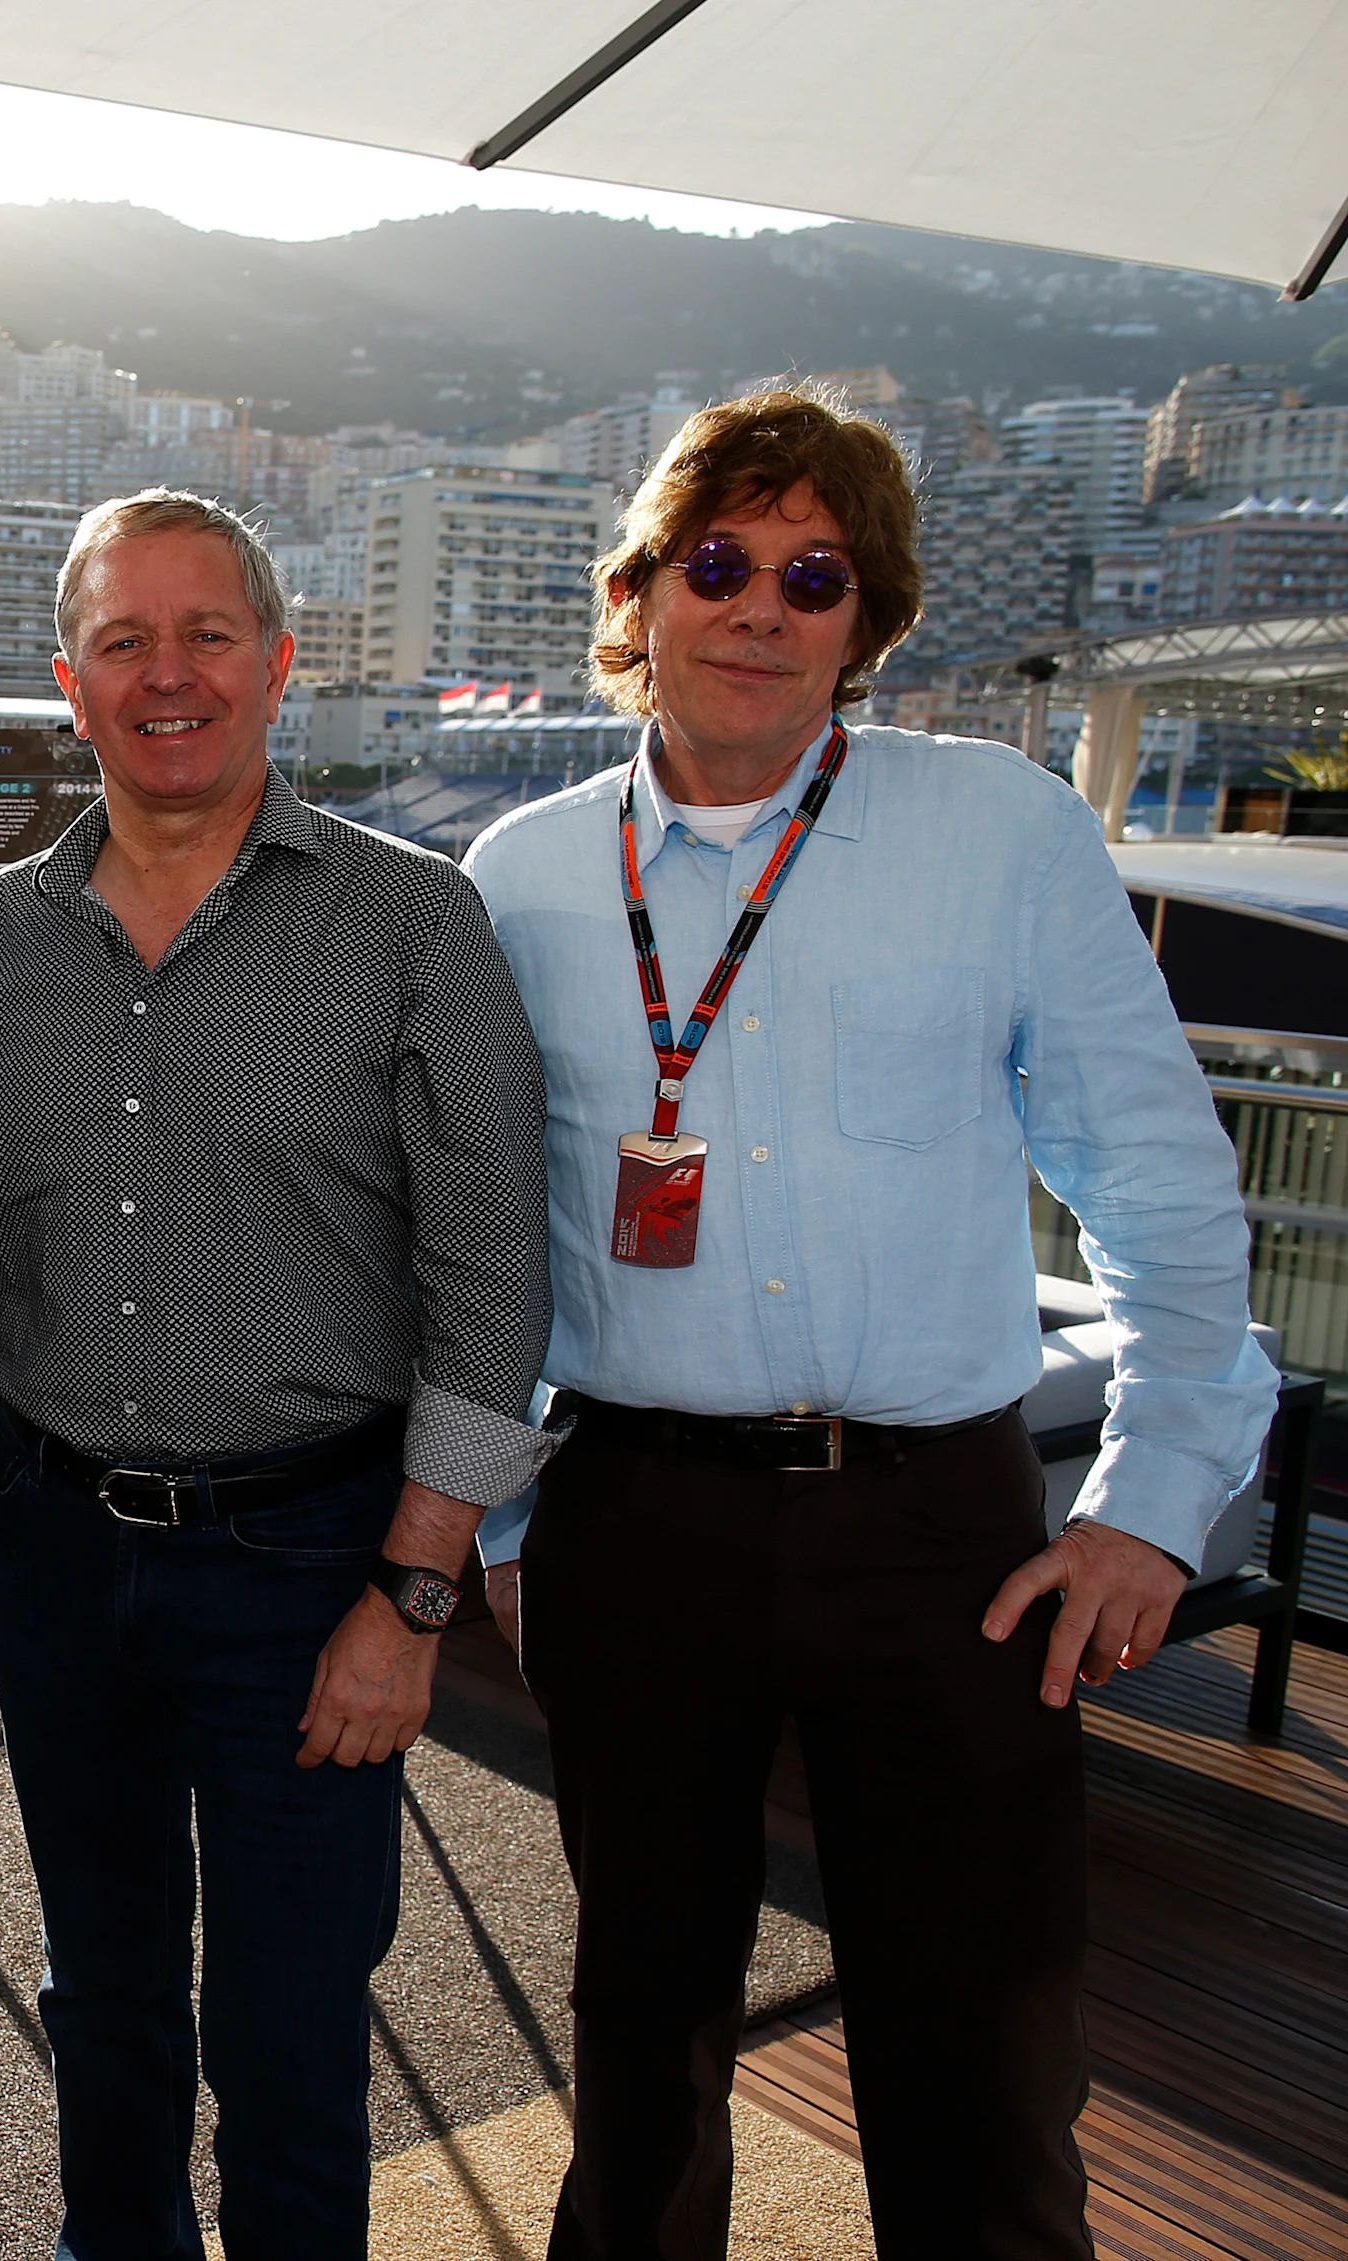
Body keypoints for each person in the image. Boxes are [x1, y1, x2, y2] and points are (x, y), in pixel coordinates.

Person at [462, 386, 1274, 2260]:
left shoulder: (996, 831)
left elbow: (1153, 1175)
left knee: (980, 2055)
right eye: (718, 561)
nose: (760, 604)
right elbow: (487, 1241)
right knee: (640, 2035)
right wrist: (505, 1514)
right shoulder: (518, 881)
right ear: (643, 593)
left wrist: (1153, 1499)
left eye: (812, 573)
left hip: (941, 1532)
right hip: (635, 1517)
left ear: (867, 612)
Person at [0, 489, 557, 2260]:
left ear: (278, 667)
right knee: (101, 2005)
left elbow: (498, 1278)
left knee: (290, 2036)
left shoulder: (413, 923)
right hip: (50, 1538)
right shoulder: (6, 937)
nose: (167, 674)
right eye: (125, 640)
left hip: (310, 1560)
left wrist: (410, 1598)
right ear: (72, 683)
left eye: (206, 636)